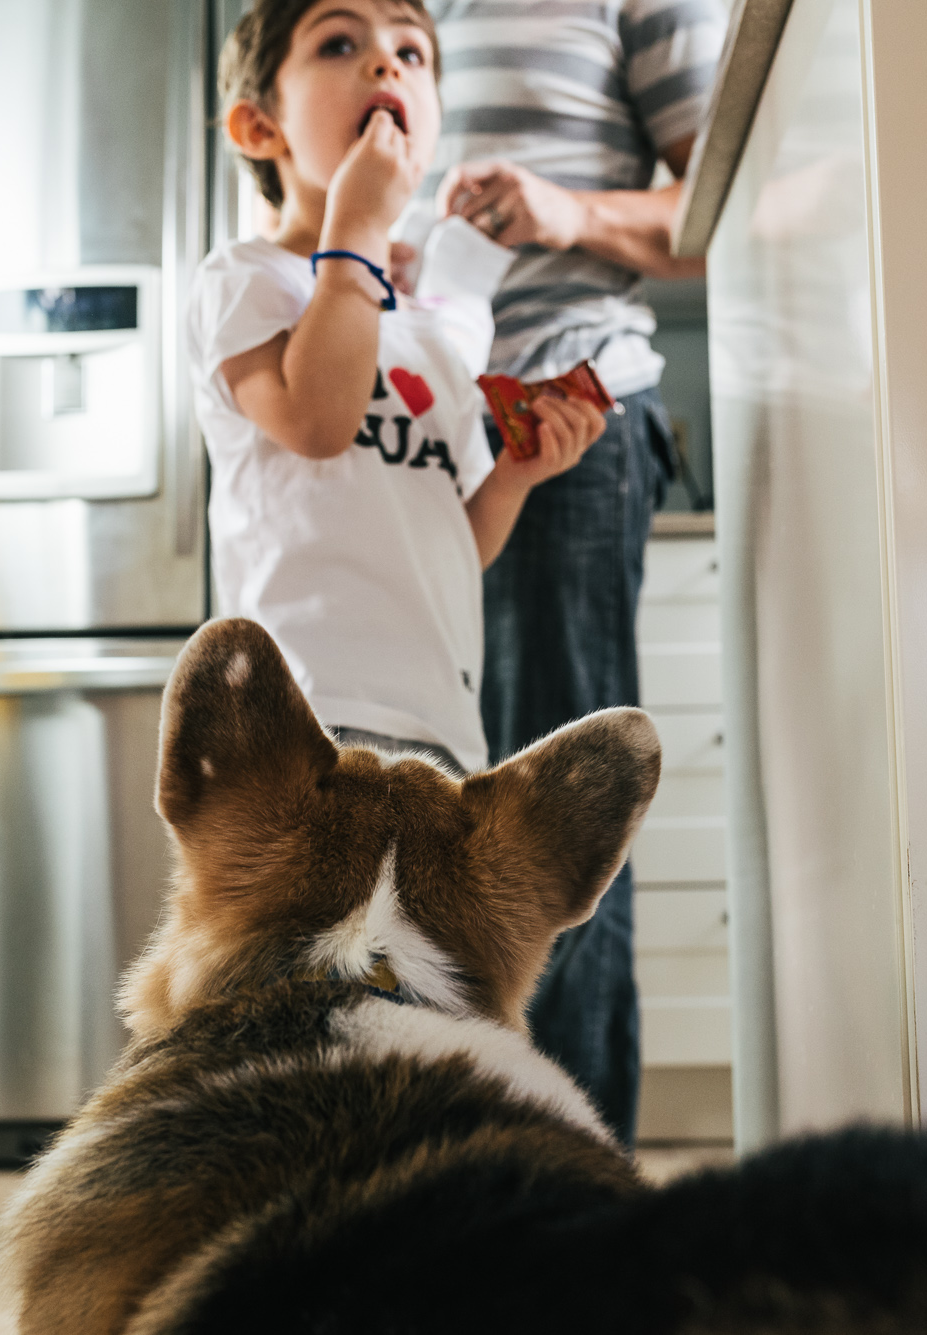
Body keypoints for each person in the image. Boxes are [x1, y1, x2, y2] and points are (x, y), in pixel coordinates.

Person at [426, 0, 730, 1145]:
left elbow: (726, 219)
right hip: (398, 442)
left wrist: (569, 209)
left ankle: (564, 1184)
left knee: (550, 825)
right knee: (407, 810)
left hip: (559, 427)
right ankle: (438, 1166)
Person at [189, 0, 605, 778]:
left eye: (413, 54)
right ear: (259, 128)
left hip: (441, 723)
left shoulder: (427, 329)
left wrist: (514, 478)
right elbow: (319, 421)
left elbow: (449, 541)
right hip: (298, 713)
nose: (387, 63)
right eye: (341, 43)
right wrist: (355, 234)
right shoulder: (244, 280)